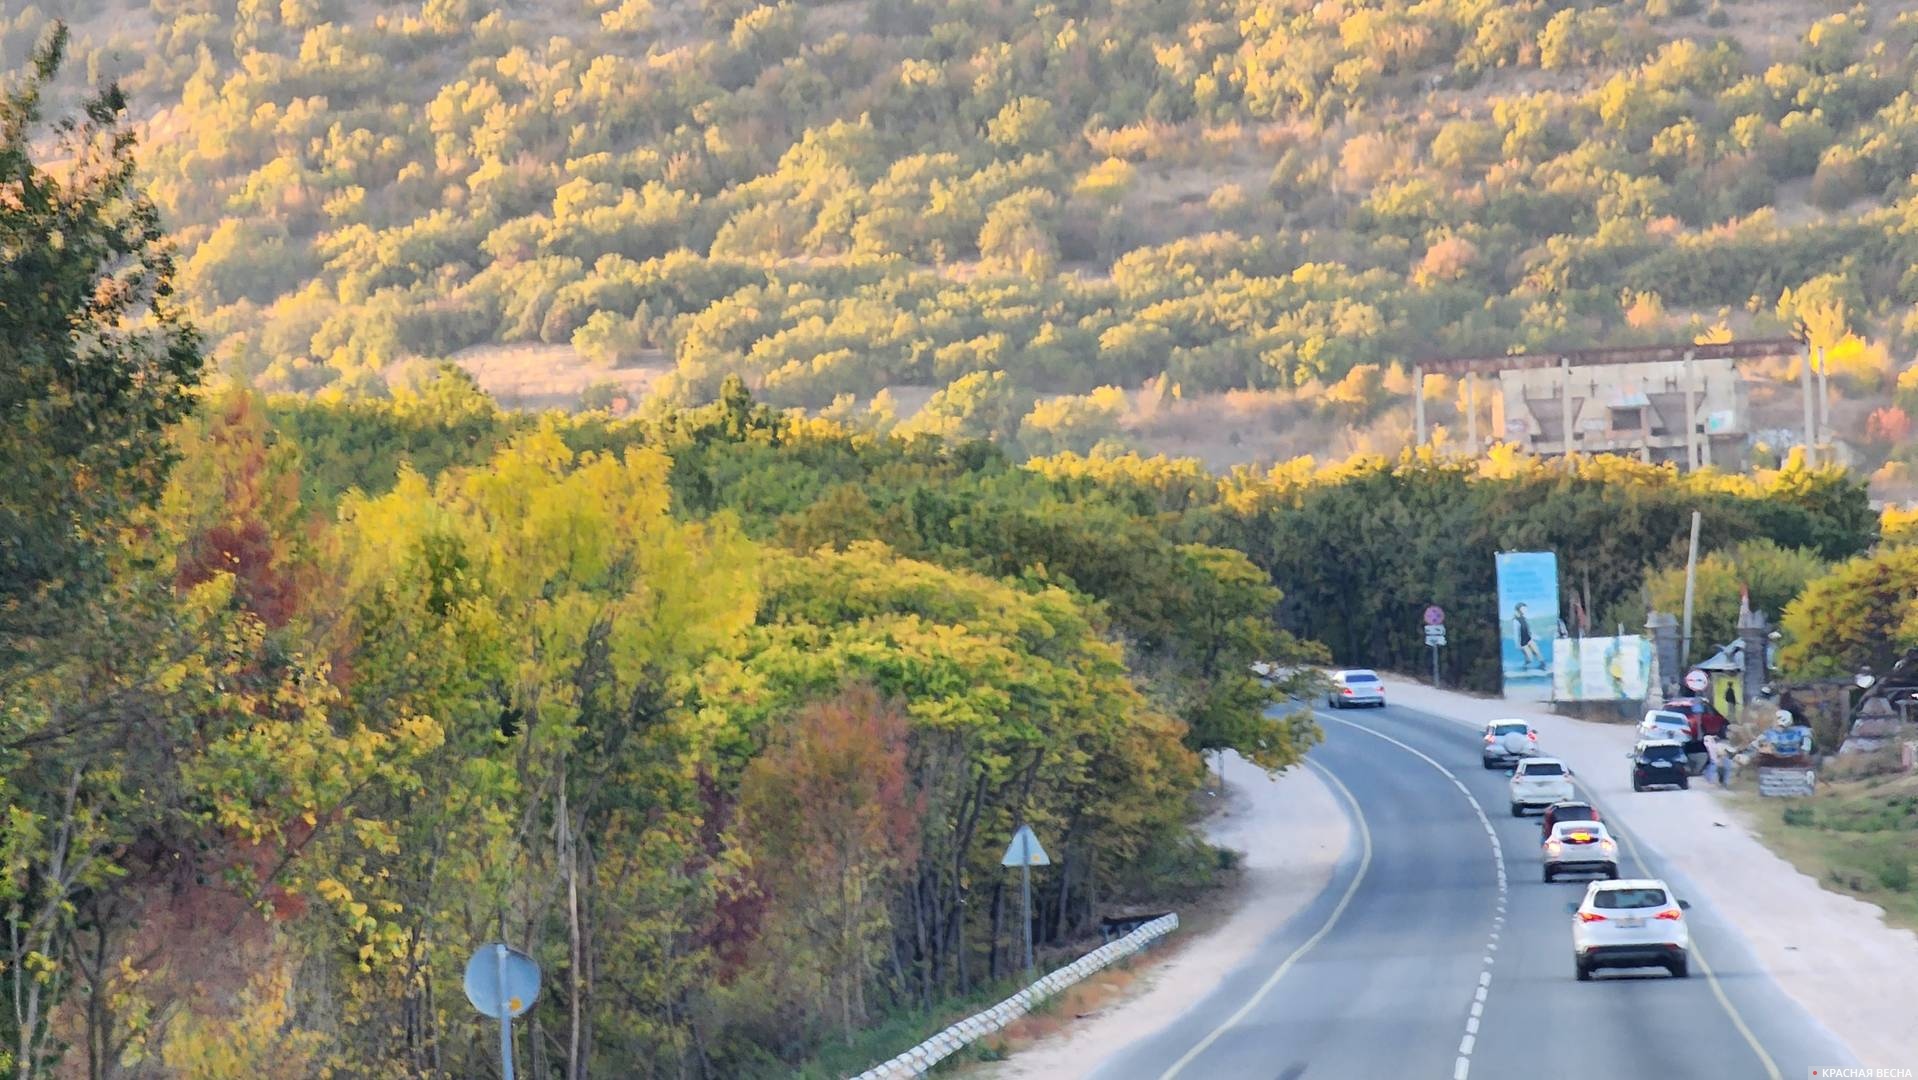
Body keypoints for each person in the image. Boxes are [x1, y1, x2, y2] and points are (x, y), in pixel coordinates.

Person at [1513, 602, 1544, 670]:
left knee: (1537, 653)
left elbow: (1528, 630)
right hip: (1522, 642)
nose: (1525, 610)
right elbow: (1516, 633)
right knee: (1530, 658)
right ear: (1519, 610)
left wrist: (1535, 636)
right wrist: (1517, 644)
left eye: (1526, 609)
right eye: (1523, 609)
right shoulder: (1516, 620)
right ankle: (1524, 667)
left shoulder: (1524, 618)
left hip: (1529, 639)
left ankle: (1543, 667)